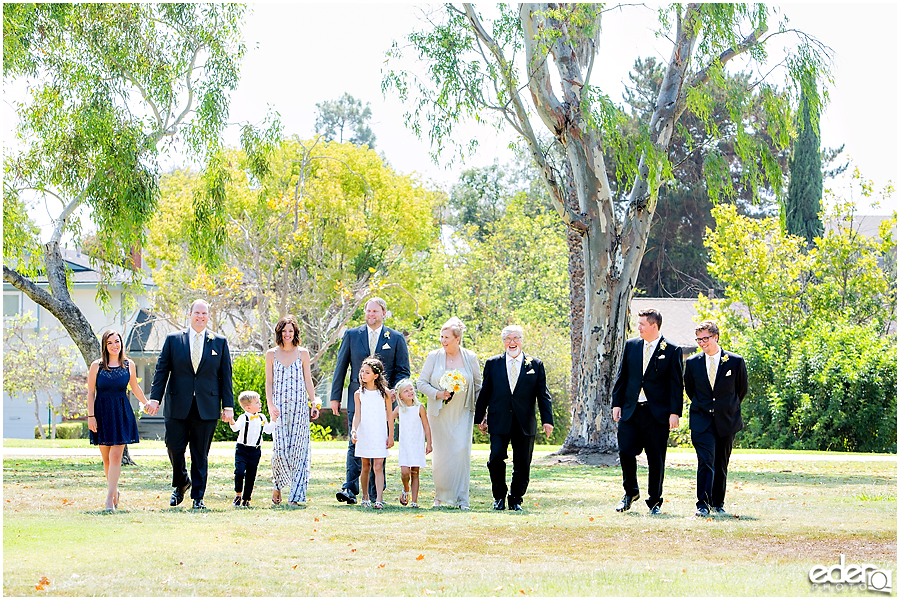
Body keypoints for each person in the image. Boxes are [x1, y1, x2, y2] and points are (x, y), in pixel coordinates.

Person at [146, 299, 234, 510]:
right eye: (197, 313)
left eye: (204, 313)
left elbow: (226, 376)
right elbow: (161, 371)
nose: (200, 317)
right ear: (190, 313)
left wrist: (228, 406)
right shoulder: (173, 340)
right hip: (177, 404)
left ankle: (198, 497)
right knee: (174, 448)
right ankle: (181, 482)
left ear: (208, 316)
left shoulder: (219, 342)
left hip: (207, 406)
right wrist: (155, 398)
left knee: (199, 453)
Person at [330, 297, 410, 505]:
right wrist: (335, 397)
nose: (371, 315)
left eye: (375, 311)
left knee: (379, 443)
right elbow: (341, 367)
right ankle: (350, 488)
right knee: (354, 441)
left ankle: (376, 493)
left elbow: (403, 370)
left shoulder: (395, 338)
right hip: (359, 398)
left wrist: (395, 392)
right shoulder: (351, 335)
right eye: (368, 311)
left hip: (383, 401)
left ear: (383, 313)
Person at [611, 308, 684, 515]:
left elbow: (676, 385)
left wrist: (674, 412)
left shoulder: (672, 349)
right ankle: (630, 492)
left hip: (657, 413)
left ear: (654, 325)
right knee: (625, 452)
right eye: (639, 324)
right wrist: (617, 404)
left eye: (642, 324)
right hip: (631, 411)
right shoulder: (631, 345)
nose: (639, 328)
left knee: (656, 458)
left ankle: (654, 501)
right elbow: (622, 376)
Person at [474, 325, 553, 512]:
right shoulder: (493, 363)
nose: (512, 342)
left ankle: (516, 498)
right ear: (503, 342)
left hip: (525, 422)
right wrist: (480, 418)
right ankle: (499, 497)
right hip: (498, 419)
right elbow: (485, 392)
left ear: (522, 340)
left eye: (516, 338)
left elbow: (543, 395)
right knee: (495, 459)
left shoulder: (536, 365)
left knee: (523, 462)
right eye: (508, 339)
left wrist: (547, 420)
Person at [684, 320, 748, 517]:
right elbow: (690, 390)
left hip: (726, 420)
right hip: (701, 420)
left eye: (706, 338)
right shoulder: (693, 363)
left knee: (721, 463)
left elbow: (741, 390)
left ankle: (718, 502)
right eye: (699, 339)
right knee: (706, 460)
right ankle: (702, 504)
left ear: (716, 337)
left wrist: (725, 407)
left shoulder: (735, 362)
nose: (702, 343)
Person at [417, 317, 482, 509]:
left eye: (447, 337)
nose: (443, 341)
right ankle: (441, 497)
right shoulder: (433, 356)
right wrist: (438, 393)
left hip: (463, 411)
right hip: (439, 413)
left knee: (461, 451)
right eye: (441, 337)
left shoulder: (470, 358)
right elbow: (421, 383)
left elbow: (478, 386)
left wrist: (482, 412)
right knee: (442, 455)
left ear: (457, 339)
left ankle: (463, 499)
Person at [87, 329, 150, 511]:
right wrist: (91, 416)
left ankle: (108, 499)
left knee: (116, 456)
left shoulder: (128, 364)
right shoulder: (96, 366)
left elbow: (135, 387)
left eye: (117, 342)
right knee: (106, 459)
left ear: (121, 344)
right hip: (101, 414)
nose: (114, 346)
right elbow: (91, 392)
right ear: (105, 346)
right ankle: (115, 491)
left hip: (121, 413)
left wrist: (146, 403)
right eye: (110, 343)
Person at [266, 315, 320, 507]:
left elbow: (308, 380)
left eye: (290, 330)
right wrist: (270, 404)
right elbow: (269, 381)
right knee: (279, 450)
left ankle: (296, 496)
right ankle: (278, 484)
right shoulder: (271, 354)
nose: (287, 334)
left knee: (299, 450)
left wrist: (313, 402)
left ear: (295, 332)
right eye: (284, 331)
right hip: (279, 407)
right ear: (279, 332)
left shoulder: (302, 353)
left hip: (299, 407)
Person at [350, 357, 394, 509]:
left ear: (376, 375)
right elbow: (358, 414)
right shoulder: (358, 393)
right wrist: (354, 429)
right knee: (365, 466)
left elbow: (390, 416)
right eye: (362, 371)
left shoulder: (385, 394)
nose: (363, 374)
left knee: (378, 466)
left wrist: (391, 435)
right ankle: (365, 496)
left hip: (379, 432)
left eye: (367, 372)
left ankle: (379, 499)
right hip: (365, 432)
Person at [229, 391, 276, 508]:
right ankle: (238, 494)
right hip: (242, 449)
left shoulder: (262, 417)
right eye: (257, 402)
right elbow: (235, 428)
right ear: (248, 407)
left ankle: (246, 498)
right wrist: (231, 421)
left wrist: (274, 420)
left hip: (255, 451)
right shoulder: (243, 417)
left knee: (251, 474)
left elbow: (268, 430)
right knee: (239, 472)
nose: (260, 404)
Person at [391, 378, 432, 508]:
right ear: (400, 396)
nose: (410, 392)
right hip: (405, 445)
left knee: (415, 472)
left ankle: (414, 501)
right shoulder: (399, 409)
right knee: (404, 473)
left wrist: (429, 443)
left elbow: (426, 426)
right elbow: (388, 418)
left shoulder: (419, 408)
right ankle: (405, 488)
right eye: (406, 391)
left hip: (417, 444)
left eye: (411, 389)